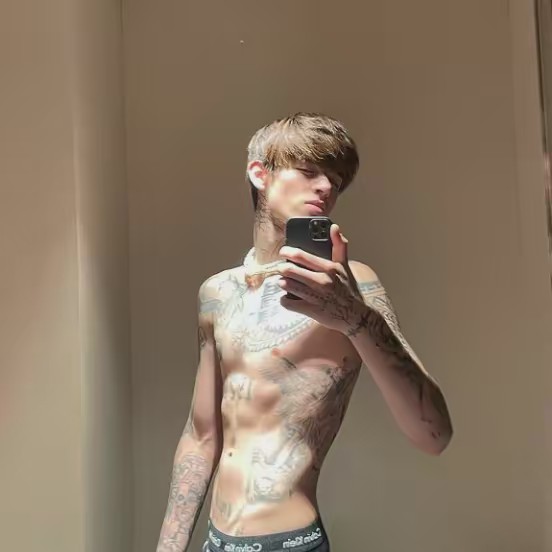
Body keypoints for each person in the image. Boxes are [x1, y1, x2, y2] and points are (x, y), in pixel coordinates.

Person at [156, 112, 453, 552]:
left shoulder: (354, 285)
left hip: (290, 540)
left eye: (335, 179)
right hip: (216, 541)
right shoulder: (216, 293)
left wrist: (356, 317)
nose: (326, 187)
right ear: (260, 174)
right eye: (310, 171)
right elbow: (201, 437)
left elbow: (434, 435)